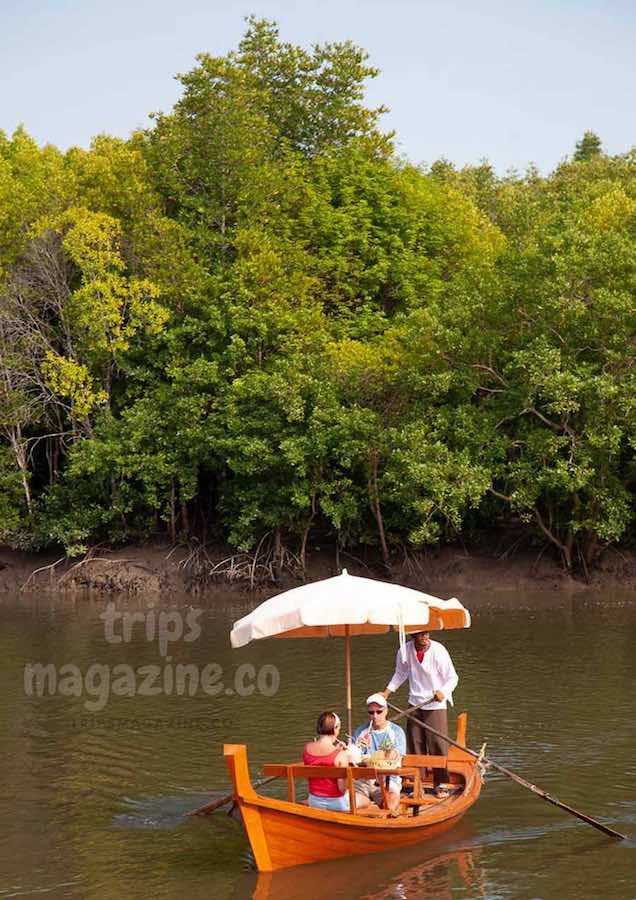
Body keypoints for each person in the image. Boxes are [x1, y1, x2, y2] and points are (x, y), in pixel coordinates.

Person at [381, 630, 458, 798]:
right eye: (420, 635)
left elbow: (453, 678)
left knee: (438, 743)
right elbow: (400, 673)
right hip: (415, 702)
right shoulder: (404, 651)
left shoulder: (438, 650)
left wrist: (443, 692)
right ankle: (418, 783)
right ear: (413, 637)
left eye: (426, 635)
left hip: (435, 704)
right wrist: (387, 692)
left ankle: (441, 783)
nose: (424, 638)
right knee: (415, 744)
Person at [303, 711, 371, 812]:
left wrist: (336, 749)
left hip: (314, 801)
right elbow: (342, 789)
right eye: (339, 728)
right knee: (366, 801)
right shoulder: (340, 755)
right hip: (337, 803)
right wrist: (351, 778)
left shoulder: (307, 749)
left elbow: (320, 763)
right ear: (334, 729)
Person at [352, 693, 406, 817]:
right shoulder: (361, 731)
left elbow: (395, 756)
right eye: (371, 713)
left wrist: (375, 756)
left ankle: (387, 820)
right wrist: (358, 748)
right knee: (347, 799)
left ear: (386, 711)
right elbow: (353, 760)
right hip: (363, 780)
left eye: (379, 711)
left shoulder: (396, 732)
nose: (375, 716)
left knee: (391, 802)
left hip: (388, 780)